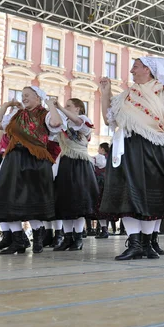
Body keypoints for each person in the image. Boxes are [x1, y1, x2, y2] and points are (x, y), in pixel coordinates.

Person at [99, 57, 164, 260]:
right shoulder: (125, 96)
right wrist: (105, 93)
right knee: (127, 195)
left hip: (154, 148)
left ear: (148, 69)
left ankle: (147, 244)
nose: (132, 70)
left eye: (136, 66)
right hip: (128, 147)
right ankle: (135, 243)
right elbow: (108, 119)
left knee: (151, 195)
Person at [0, 86, 64, 254]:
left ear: (38, 97)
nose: (24, 98)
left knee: (32, 201)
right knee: (10, 199)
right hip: (14, 159)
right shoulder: (17, 116)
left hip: (35, 160)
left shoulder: (45, 114)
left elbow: (56, 123)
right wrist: (6, 105)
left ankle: (37, 237)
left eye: (27, 95)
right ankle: (18, 240)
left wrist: (50, 103)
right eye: (23, 96)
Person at [52, 98, 99, 252]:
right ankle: (67, 238)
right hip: (66, 162)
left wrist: (58, 107)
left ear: (78, 108)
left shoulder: (83, 120)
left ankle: (78, 238)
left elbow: (79, 123)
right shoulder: (62, 122)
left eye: (68, 106)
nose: (65, 108)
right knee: (65, 201)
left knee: (78, 201)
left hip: (80, 163)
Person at [94, 143, 114, 238]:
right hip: (109, 184)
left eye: (99, 147)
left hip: (100, 184)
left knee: (100, 207)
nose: (98, 149)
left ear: (102, 149)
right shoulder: (110, 158)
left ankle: (104, 230)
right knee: (106, 208)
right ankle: (104, 230)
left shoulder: (99, 157)